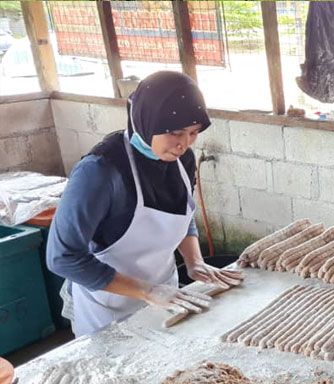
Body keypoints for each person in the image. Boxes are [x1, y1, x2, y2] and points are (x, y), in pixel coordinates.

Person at [47, 71, 243, 336]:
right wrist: (146, 291)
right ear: (147, 120)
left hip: (166, 298)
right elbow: (63, 257)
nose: (183, 144)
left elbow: (183, 214)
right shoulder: (100, 172)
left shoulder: (182, 160)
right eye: (175, 132)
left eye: (194, 133)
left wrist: (194, 261)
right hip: (105, 309)